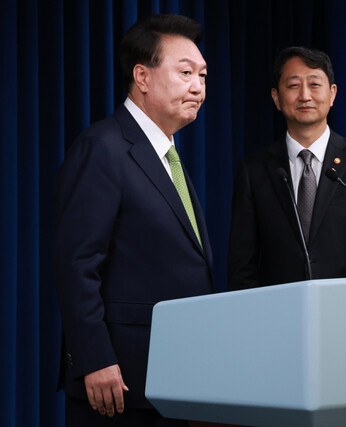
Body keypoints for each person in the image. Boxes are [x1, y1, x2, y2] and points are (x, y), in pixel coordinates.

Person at [54, 14, 215, 426]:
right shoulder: (103, 147)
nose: (198, 86)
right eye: (185, 73)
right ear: (142, 76)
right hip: (120, 382)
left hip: (179, 377)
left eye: (202, 75)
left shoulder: (168, 157)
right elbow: (77, 264)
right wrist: (94, 358)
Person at [228, 46, 346, 289]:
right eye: (293, 86)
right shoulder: (254, 171)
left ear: (332, 93)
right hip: (280, 316)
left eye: (314, 85)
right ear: (276, 97)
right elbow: (242, 265)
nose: (305, 95)